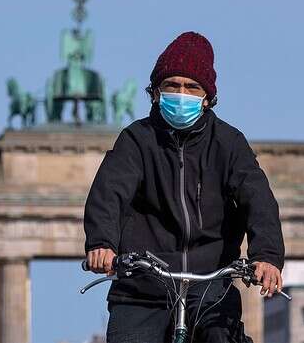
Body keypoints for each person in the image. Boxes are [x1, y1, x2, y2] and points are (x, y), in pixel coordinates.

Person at [83, 31, 285, 343]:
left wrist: (267, 255)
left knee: (223, 336)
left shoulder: (229, 143)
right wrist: (102, 243)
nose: (181, 93)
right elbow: (109, 193)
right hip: (141, 286)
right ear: (155, 92)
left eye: (192, 87)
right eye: (172, 85)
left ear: (207, 97)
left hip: (209, 286)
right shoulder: (136, 140)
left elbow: (257, 199)